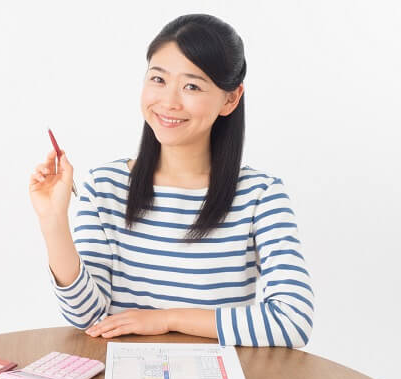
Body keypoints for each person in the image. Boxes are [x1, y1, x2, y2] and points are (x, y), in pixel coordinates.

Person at [28, 14, 313, 348]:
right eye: (158, 79)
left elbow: (293, 320)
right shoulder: (105, 187)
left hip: (220, 375)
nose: (169, 102)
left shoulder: (260, 195)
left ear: (230, 99)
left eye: (192, 86)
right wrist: (53, 222)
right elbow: (88, 317)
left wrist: (166, 319)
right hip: (123, 373)